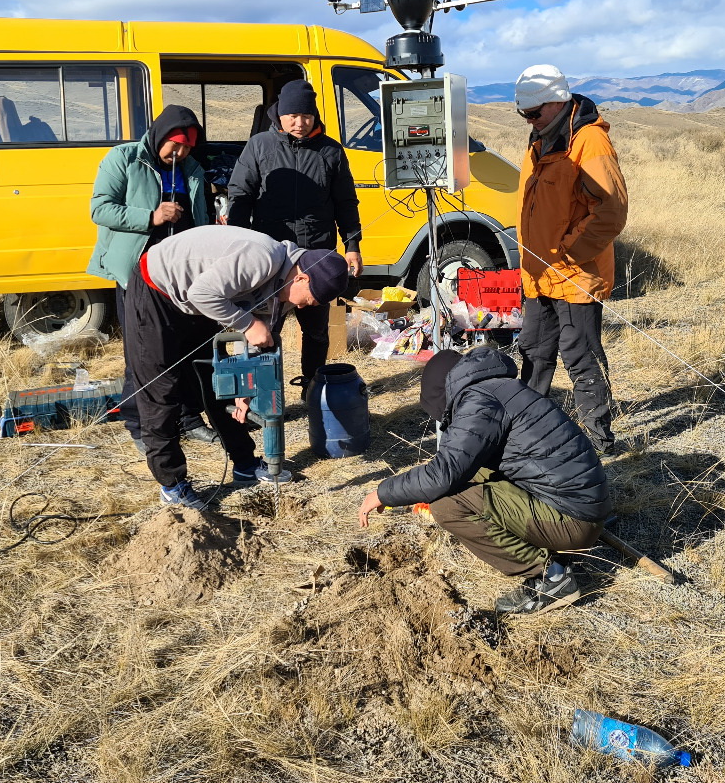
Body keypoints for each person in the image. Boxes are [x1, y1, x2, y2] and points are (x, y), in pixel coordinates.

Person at [357, 347, 612, 614]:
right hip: (581, 507)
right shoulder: (496, 388)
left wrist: (383, 493)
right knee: (469, 476)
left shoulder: (478, 403)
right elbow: (459, 466)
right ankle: (548, 547)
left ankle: (551, 576)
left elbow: (443, 474)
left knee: (447, 504)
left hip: (574, 521)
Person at [127, 224, 350, 509]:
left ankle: (245, 464)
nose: (306, 307)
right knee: (161, 390)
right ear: (302, 278)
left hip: (196, 301)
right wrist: (247, 323)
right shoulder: (261, 258)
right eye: (311, 300)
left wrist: (245, 390)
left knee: (217, 379)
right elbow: (203, 294)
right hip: (156, 290)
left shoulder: (283, 291)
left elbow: (257, 341)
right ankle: (172, 485)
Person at [87, 104, 218, 451]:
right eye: (175, 145)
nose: (180, 153)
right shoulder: (124, 159)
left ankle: (190, 418)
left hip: (179, 273)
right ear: (161, 136)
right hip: (137, 269)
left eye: (187, 147)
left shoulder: (192, 169)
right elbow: (100, 209)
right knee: (142, 351)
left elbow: (199, 216)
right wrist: (151, 216)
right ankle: (140, 424)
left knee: (187, 344)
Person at [513, 64, 629, 454]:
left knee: (580, 356)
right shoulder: (541, 139)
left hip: (575, 274)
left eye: (534, 113)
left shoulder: (589, 142)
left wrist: (569, 252)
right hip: (538, 274)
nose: (529, 121)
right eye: (524, 115)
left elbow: (610, 211)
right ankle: (529, 436)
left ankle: (600, 441)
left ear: (558, 101)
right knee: (534, 354)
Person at [226, 79, 363, 399]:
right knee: (263, 328)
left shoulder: (331, 151)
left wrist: (352, 245)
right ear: (279, 116)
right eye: (292, 116)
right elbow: (240, 195)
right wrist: (238, 238)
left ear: (314, 116)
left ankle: (312, 388)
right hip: (269, 257)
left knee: (316, 330)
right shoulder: (260, 146)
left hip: (317, 252)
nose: (299, 123)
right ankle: (261, 398)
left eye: (306, 116)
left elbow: (345, 201)